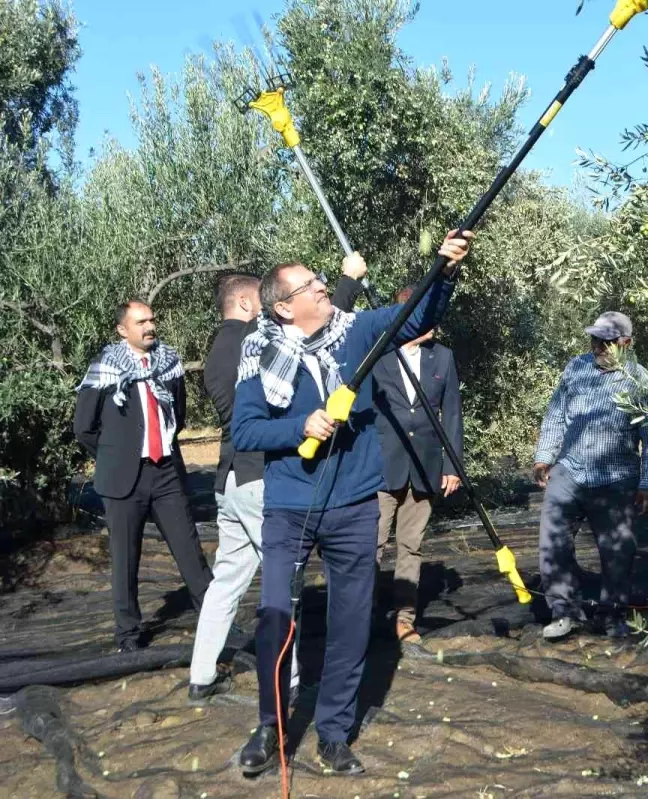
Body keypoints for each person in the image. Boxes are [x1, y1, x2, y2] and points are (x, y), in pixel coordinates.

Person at [231, 231, 473, 777]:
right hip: (289, 508)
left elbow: (414, 315)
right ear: (284, 307)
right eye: (313, 285)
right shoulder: (259, 350)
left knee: (349, 621)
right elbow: (245, 430)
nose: (325, 287)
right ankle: (271, 727)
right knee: (275, 617)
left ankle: (334, 733)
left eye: (322, 281)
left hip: (356, 504)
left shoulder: (356, 331)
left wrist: (446, 270)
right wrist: (301, 426)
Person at [187, 258, 369, 705]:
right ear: (251, 302)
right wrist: (348, 283)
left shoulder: (216, 352)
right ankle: (286, 685)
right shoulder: (254, 344)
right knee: (283, 586)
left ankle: (201, 673)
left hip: (227, 479)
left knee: (228, 578)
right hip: (259, 478)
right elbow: (315, 339)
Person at [74, 300, 213, 652]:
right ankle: (128, 636)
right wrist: (115, 457)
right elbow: (84, 428)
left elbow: (178, 416)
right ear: (123, 330)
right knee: (125, 560)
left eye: (151, 319)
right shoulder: (105, 368)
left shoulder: (168, 363)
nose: (149, 326)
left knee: (190, 552)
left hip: (165, 471)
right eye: (140, 322)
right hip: (124, 479)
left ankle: (215, 622)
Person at [532, 311, 648, 641]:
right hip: (570, 470)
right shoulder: (575, 369)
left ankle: (612, 614)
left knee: (617, 550)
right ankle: (564, 611)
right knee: (553, 541)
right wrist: (544, 458)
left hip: (617, 476)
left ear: (626, 343)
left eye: (607, 342)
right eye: (595, 340)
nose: (599, 347)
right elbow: (555, 416)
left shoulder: (639, 379)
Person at [372, 285, 463, 644]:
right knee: (371, 545)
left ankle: (404, 619)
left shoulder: (442, 357)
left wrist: (453, 466)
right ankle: (361, 616)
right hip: (380, 466)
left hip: (425, 467)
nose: (432, 324)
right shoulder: (377, 355)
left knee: (411, 545)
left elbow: (452, 413)